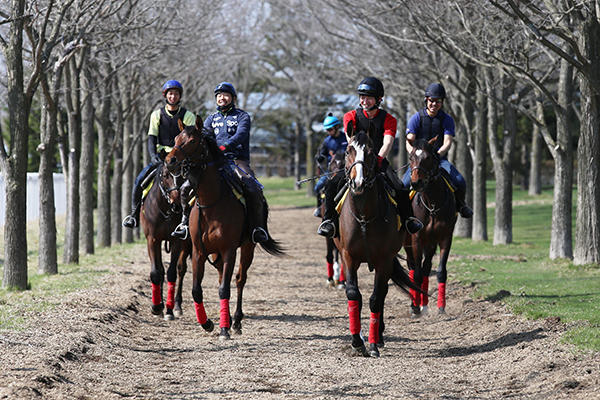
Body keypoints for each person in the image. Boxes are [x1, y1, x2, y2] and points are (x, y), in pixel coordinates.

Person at [317, 77, 423, 238]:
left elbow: (387, 142)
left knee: (400, 187)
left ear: (379, 99)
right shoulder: (350, 116)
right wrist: (359, 159)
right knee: (331, 185)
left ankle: (408, 219)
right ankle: (329, 221)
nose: (364, 101)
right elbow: (350, 140)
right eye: (362, 97)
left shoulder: (389, 119)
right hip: (355, 162)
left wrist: (379, 159)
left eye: (368, 97)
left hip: (378, 159)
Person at [171, 81, 269, 244]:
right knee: (185, 188)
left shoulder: (242, 116)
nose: (222, 98)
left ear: (232, 98)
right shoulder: (211, 119)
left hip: (237, 160)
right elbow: (205, 138)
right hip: (215, 161)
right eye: (219, 96)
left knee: (252, 186)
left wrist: (225, 146)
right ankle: (184, 223)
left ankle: (257, 228)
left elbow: (241, 135)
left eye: (225, 95)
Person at [122, 80, 196, 229]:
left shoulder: (188, 116)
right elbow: (152, 138)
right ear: (165, 96)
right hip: (162, 158)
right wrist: (153, 156)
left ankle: (191, 220)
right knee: (139, 181)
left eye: (176, 94)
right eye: (170, 93)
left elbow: (188, 139)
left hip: (181, 160)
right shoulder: (157, 115)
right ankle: (134, 215)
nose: (173, 96)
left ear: (179, 96)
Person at [402, 82, 473, 218]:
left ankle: (461, 206)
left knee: (459, 181)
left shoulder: (447, 119)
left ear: (442, 102)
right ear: (426, 100)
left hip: (439, 160)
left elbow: (447, 142)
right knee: (404, 184)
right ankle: (403, 214)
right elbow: (409, 141)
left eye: (438, 101)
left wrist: (437, 155)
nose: (434, 104)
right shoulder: (416, 118)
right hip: (418, 162)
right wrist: (415, 155)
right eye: (432, 101)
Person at [313, 113, 348, 218]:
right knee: (318, 187)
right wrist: (319, 157)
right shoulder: (327, 141)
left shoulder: (345, 138)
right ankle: (319, 207)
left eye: (330, 129)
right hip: (331, 172)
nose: (328, 132)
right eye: (327, 130)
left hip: (346, 171)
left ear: (337, 127)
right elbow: (321, 154)